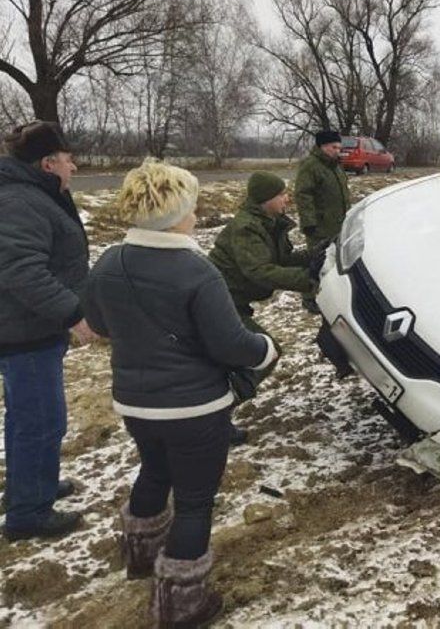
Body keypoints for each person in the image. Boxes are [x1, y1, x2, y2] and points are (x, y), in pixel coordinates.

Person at [81, 158, 277, 627]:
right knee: (194, 501)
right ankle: (184, 603)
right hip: (195, 408)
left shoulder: (108, 262)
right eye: (191, 204)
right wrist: (266, 349)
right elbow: (231, 344)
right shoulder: (196, 271)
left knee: (154, 470)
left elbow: (102, 324)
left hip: (135, 402)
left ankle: (141, 557)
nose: (196, 213)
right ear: (176, 212)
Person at [0, 121, 98, 542]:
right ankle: (29, 514)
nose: (73, 166)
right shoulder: (22, 201)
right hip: (26, 333)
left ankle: (31, 484)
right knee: (41, 420)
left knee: (28, 416)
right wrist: (73, 314)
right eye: (67, 159)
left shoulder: (37, 192)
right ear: (47, 162)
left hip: (29, 328)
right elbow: (21, 270)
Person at [208, 172, 312, 442]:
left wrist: (314, 256)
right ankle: (214, 415)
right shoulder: (247, 228)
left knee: (246, 357)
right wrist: (310, 281)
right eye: (281, 194)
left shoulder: (269, 222)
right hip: (220, 303)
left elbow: (282, 259)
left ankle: (214, 416)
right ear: (266, 199)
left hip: (233, 302)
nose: (287, 198)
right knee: (266, 352)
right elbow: (260, 270)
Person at [294, 129, 352, 250]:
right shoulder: (310, 166)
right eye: (334, 147)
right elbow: (303, 194)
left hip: (339, 224)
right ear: (323, 146)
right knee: (321, 261)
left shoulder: (336, 166)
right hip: (320, 228)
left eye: (339, 148)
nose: (338, 151)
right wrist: (308, 222)